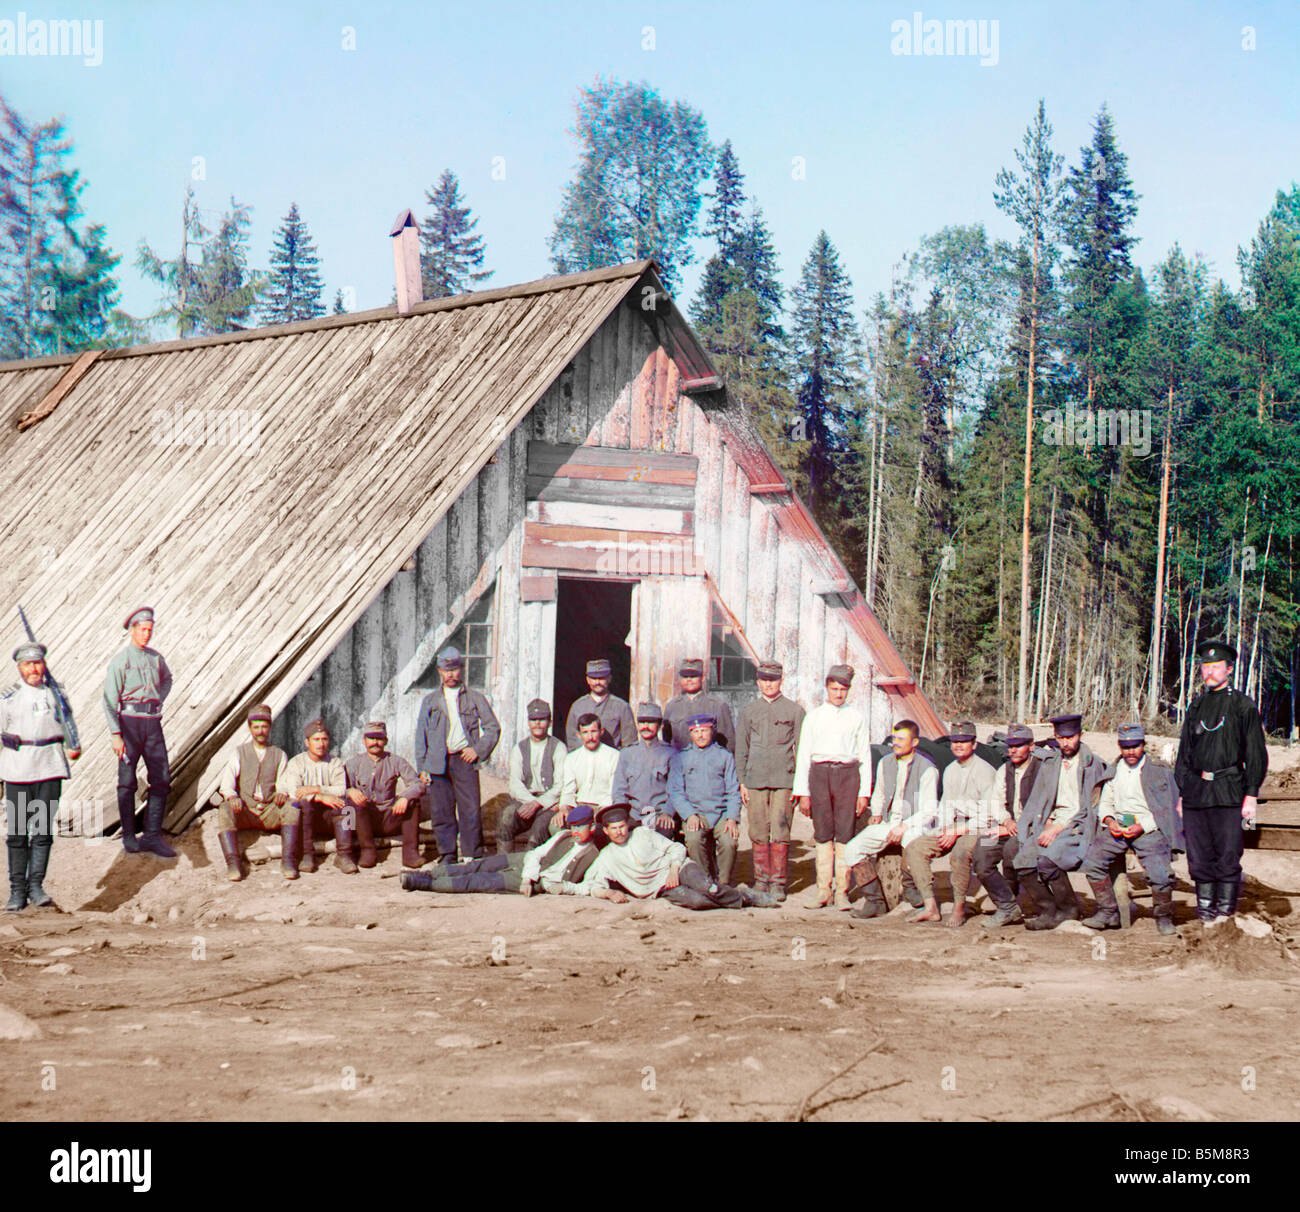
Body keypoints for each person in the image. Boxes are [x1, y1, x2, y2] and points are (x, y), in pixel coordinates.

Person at [1174, 638, 1268, 923]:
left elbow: (1256, 753)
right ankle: (1206, 917)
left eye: (1216, 667)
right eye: (1205, 667)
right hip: (1197, 794)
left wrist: (1250, 794)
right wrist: (1183, 792)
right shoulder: (1196, 707)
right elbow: (1185, 754)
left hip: (1230, 793)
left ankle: (1225, 917)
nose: (1209, 672)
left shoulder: (1243, 706)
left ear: (1229, 669)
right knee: (1199, 857)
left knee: (1227, 855)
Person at [1081, 723, 1183, 935]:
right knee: (1092, 862)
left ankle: (1163, 916)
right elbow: (1105, 802)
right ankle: (1108, 910)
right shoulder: (1113, 770)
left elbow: (1167, 809)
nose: (1130, 752)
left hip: (1148, 827)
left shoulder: (1158, 770)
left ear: (1143, 745)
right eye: (1126, 747)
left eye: (1135, 746)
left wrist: (1141, 826)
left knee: (1160, 874)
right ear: (1120, 746)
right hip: (1119, 826)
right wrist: (1110, 822)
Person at [2, 641, 80, 911]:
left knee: (43, 830)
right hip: (19, 768)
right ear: (19, 667)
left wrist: (73, 745)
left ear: (43, 665)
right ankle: (16, 891)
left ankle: (36, 887)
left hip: (49, 767)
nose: (33, 669)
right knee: (16, 833)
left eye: (37, 663)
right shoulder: (8, 697)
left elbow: (69, 723)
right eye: (27, 664)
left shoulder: (56, 693)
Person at [1014, 711, 1108, 931]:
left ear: (1081, 734)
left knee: (1048, 860)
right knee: (1022, 860)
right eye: (1061, 738)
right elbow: (1037, 800)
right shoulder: (1050, 763)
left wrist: (1058, 827)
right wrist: (1030, 827)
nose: (1066, 743)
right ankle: (1047, 910)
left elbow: (1090, 809)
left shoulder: (1093, 765)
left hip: (1078, 827)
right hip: (1050, 823)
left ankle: (1068, 909)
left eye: (1071, 737)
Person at [581, 804, 774, 910]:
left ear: (627, 825)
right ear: (605, 831)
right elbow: (592, 885)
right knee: (698, 902)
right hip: (660, 889)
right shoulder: (606, 857)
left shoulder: (641, 833)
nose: (619, 832)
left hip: (680, 868)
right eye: (613, 829)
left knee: (708, 888)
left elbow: (676, 848)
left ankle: (746, 898)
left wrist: (674, 869)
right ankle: (736, 894)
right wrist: (609, 893)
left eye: (622, 826)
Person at [792, 664, 873, 909]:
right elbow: (804, 754)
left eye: (843, 689)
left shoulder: (856, 717)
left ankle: (842, 892)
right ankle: (823, 890)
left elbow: (864, 756)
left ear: (849, 691)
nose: (838, 694)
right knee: (823, 832)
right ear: (827, 688)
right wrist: (803, 792)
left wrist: (864, 793)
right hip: (820, 775)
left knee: (845, 833)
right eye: (834, 689)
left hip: (848, 776)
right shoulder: (814, 717)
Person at [843, 719, 940, 919]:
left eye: (901, 739)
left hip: (916, 823)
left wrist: (904, 826)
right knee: (853, 848)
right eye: (894, 737)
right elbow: (878, 792)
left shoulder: (928, 769)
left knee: (912, 844)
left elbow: (929, 810)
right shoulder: (885, 762)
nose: (895, 742)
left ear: (914, 742)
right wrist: (877, 813)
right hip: (889, 822)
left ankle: (912, 891)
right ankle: (875, 901)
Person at [903, 722, 996, 926]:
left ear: (974, 744)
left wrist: (957, 831)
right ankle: (930, 907)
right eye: (955, 742)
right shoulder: (950, 769)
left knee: (960, 854)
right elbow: (946, 805)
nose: (958, 745)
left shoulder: (984, 771)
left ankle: (959, 907)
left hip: (979, 826)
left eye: (964, 741)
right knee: (915, 848)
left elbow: (989, 814)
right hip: (954, 824)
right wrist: (945, 828)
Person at [415, 646, 500, 863]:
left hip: (464, 760)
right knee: (441, 812)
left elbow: (492, 728)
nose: (451, 674)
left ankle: (472, 855)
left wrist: (478, 750)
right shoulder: (431, 701)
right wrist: (422, 767)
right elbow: (421, 735)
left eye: (455, 669)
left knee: (470, 810)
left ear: (461, 669)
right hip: (437, 762)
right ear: (439, 671)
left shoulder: (474, 698)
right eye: (446, 670)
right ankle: (447, 854)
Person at [400, 804, 601, 895]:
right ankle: (430, 874)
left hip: (538, 881)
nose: (575, 831)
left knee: (478, 882)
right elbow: (538, 853)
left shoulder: (593, 855)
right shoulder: (563, 835)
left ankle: (424, 884)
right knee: (479, 865)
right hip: (527, 862)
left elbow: (589, 886)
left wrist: (564, 888)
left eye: (580, 827)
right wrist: (527, 877)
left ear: (591, 827)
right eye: (573, 826)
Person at [103, 606, 175, 857]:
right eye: (142, 630)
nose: (146, 635)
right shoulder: (120, 661)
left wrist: (157, 699)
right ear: (132, 630)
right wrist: (115, 734)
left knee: (162, 778)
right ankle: (130, 836)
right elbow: (109, 700)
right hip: (129, 724)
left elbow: (167, 680)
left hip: (152, 724)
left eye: (150, 630)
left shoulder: (156, 659)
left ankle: (153, 836)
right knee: (126, 782)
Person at [735, 660, 804, 902]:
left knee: (780, 828)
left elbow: (802, 750)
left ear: (781, 680)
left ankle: (779, 883)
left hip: (784, 779)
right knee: (757, 830)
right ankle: (761, 880)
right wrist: (742, 780)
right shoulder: (749, 711)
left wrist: (800, 784)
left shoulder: (794, 711)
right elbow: (741, 748)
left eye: (773, 680)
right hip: (755, 779)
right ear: (757, 681)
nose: (768, 684)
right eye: (764, 680)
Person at [214, 705, 294, 881]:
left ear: (270, 728)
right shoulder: (239, 752)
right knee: (225, 809)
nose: (260, 731)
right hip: (246, 811)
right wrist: (232, 796)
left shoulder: (279, 754)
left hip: (269, 812)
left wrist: (282, 792)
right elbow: (226, 783)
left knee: (292, 808)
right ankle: (234, 864)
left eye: (264, 726)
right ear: (250, 728)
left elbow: (284, 782)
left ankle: (288, 861)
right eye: (256, 727)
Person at [974, 723, 1041, 930]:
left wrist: (1017, 826)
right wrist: (1006, 820)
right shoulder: (1005, 769)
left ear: (1031, 746)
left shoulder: (1042, 769)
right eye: (1010, 745)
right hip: (1006, 826)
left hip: (1033, 828)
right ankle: (1007, 904)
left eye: (1019, 745)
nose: (1013, 750)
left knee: (1012, 851)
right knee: (981, 852)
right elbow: (996, 802)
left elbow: (1043, 806)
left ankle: (1025, 900)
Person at [668, 714, 742, 884]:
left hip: (721, 813)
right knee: (693, 839)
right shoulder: (681, 758)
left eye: (704, 731)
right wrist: (689, 814)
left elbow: (733, 790)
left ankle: (723, 882)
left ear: (712, 731)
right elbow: (676, 791)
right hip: (696, 813)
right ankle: (705, 881)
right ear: (691, 734)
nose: (700, 735)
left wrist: (731, 818)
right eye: (696, 732)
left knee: (729, 841)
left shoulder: (724, 756)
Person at [344, 722, 426, 869]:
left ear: (386, 741)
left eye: (379, 738)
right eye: (371, 738)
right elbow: (339, 787)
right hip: (364, 821)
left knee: (413, 803)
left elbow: (417, 784)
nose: (375, 742)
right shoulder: (353, 763)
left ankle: (410, 854)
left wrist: (404, 797)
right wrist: (350, 791)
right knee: (351, 804)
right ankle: (367, 851)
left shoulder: (396, 761)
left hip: (389, 818)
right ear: (364, 741)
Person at [280, 717, 355, 875]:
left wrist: (316, 789)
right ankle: (307, 855)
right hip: (307, 819)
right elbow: (294, 791)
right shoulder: (297, 763)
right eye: (316, 740)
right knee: (301, 804)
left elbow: (341, 789)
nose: (321, 744)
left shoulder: (335, 763)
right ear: (307, 742)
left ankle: (345, 854)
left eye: (324, 739)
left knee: (348, 806)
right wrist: (319, 797)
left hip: (329, 818)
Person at [497, 699, 567, 853]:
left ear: (549, 722)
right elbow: (515, 784)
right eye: (533, 720)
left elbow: (560, 785)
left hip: (549, 803)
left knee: (538, 831)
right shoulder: (519, 749)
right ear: (528, 722)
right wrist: (531, 802)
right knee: (507, 816)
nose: (537, 724)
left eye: (542, 719)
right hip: (526, 800)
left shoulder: (558, 748)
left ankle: (531, 869)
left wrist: (539, 804)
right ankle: (502, 864)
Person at [610, 702, 677, 838]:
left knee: (659, 845)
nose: (645, 726)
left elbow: (675, 789)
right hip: (632, 815)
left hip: (658, 814)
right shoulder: (627, 754)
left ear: (659, 725)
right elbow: (619, 789)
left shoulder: (671, 754)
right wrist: (622, 815)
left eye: (651, 722)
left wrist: (667, 813)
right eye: (642, 722)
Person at [556, 714, 620, 828]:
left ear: (601, 732)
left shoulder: (614, 756)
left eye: (594, 731)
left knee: (598, 829)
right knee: (556, 825)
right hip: (578, 807)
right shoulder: (571, 758)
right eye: (585, 732)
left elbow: (613, 791)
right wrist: (565, 807)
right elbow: (568, 790)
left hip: (603, 807)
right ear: (579, 735)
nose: (590, 737)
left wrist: (603, 810)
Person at [663, 657, 736, 752]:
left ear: (702, 678)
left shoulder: (717, 705)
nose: (689, 680)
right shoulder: (672, 706)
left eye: (693, 676)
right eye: (685, 676)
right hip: (679, 762)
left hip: (708, 762)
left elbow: (729, 742)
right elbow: (666, 741)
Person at [564, 659, 636, 750]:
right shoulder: (578, 706)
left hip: (612, 760)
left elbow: (629, 742)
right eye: (594, 678)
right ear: (588, 680)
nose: (597, 682)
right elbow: (571, 740)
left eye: (602, 678)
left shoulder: (621, 707)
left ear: (609, 678)